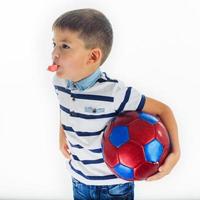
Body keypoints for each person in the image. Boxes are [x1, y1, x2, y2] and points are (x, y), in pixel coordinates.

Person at [50, 8, 181, 200]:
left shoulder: (115, 93)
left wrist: (175, 153)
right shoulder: (59, 83)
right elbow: (66, 107)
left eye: (65, 46)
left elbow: (163, 110)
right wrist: (62, 133)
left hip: (114, 185)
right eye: (54, 44)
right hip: (79, 178)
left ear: (93, 56)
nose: (54, 53)